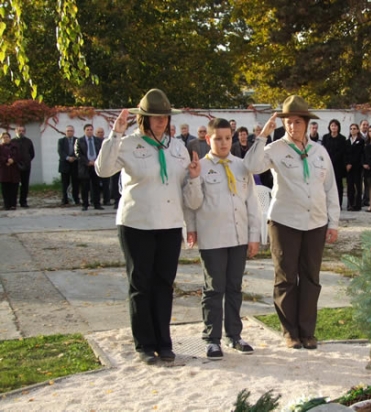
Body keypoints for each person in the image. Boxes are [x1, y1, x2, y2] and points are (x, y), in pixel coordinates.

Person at [95, 88, 201, 365]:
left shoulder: (177, 147)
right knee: (140, 284)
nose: (161, 121)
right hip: (136, 224)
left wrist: (193, 178)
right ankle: (144, 343)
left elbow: (186, 192)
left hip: (169, 225)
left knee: (164, 284)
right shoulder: (128, 143)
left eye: (164, 116)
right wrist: (115, 134)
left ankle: (164, 342)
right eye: (155, 116)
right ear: (144, 118)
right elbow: (103, 170)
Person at [243, 95, 340, 350]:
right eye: (288, 121)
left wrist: (333, 222)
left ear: (306, 123)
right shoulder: (275, 148)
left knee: (310, 278)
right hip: (284, 221)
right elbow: (251, 166)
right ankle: (290, 332)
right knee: (286, 277)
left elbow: (330, 188)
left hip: (315, 222)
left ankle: (307, 332)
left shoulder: (319, 152)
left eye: (297, 122)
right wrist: (263, 136)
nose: (292, 126)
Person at [185, 118, 261, 359]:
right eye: (218, 138)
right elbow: (192, 204)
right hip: (213, 237)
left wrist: (254, 235)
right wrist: (194, 178)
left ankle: (234, 335)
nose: (224, 143)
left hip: (238, 237)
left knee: (234, 287)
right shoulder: (199, 167)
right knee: (214, 288)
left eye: (227, 138)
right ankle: (212, 338)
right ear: (208, 139)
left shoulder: (241, 166)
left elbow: (252, 203)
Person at [76, 124, 104, 211]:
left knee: (96, 186)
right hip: (85, 166)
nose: (89, 131)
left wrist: (96, 161)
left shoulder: (98, 140)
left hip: (95, 165)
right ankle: (85, 204)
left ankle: (97, 204)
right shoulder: (79, 141)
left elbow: (101, 152)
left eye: (91, 129)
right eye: (87, 130)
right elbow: (78, 153)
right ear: (84, 131)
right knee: (85, 186)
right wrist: (87, 162)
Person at [322, 119, 347, 208]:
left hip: (338, 165)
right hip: (327, 164)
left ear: (338, 127)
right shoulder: (325, 137)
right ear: (329, 127)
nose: (334, 127)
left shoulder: (342, 138)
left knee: (338, 185)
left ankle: (339, 203)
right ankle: (327, 203)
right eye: (332, 125)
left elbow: (342, 152)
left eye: (335, 126)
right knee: (327, 184)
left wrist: (334, 159)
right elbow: (323, 150)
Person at [57, 125, 80, 205]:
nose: (70, 132)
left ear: (73, 132)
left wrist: (74, 157)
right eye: (68, 131)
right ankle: (65, 199)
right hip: (64, 164)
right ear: (65, 132)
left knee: (75, 183)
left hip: (75, 164)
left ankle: (76, 199)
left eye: (71, 131)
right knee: (65, 183)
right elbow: (60, 151)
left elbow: (80, 150)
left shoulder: (77, 140)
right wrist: (67, 158)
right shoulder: (61, 141)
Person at [13, 125, 35, 208]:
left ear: (25, 132)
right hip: (15, 166)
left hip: (26, 166)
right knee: (14, 185)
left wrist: (27, 160)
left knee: (25, 185)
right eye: (19, 131)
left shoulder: (28, 141)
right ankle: (13, 202)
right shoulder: (12, 141)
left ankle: (23, 202)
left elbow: (32, 154)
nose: (21, 132)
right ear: (16, 131)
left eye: (22, 131)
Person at [344, 123, 364, 211]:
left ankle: (357, 205)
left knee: (357, 186)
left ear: (358, 130)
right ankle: (350, 204)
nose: (353, 130)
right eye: (351, 129)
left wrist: (351, 163)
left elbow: (358, 154)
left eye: (354, 128)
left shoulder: (361, 141)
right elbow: (345, 154)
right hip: (348, 168)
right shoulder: (347, 141)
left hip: (357, 167)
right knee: (350, 186)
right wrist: (347, 163)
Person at [0, 132, 21, 210]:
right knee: (5, 189)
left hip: (14, 170)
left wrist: (13, 160)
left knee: (14, 188)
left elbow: (18, 156)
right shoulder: (0, 147)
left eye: (7, 137)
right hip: (4, 170)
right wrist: (6, 160)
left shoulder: (14, 147)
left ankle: (13, 204)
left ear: (10, 138)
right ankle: (7, 205)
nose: (6, 139)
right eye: (4, 137)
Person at [95, 128, 111, 205]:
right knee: (96, 184)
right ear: (96, 133)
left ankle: (106, 200)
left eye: (101, 132)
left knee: (106, 184)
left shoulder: (106, 141)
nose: (100, 133)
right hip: (96, 164)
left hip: (106, 164)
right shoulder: (94, 141)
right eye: (98, 132)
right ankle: (95, 200)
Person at [359, 119, 370, 207]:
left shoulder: (370, 136)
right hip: (359, 163)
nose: (365, 126)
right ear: (360, 126)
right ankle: (358, 199)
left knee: (367, 182)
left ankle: (366, 199)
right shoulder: (357, 135)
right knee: (359, 182)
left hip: (368, 163)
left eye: (367, 125)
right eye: (364, 124)